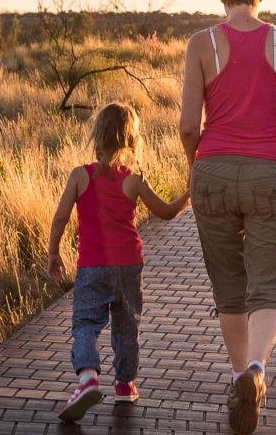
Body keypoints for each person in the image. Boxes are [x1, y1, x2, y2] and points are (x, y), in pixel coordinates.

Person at [178, 0, 276, 433]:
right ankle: (256, 370)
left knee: (229, 286)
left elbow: (186, 124)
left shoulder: (201, 44)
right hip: (274, 172)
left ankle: (238, 374)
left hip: (213, 170)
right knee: (269, 285)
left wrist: (197, 165)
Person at [44, 102, 189, 423]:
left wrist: (53, 251)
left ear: (97, 135)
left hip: (93, 265)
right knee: (127, 325)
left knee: (85, 323)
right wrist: (187, 194)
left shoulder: (80, 175)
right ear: (130, 139)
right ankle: (124, 384)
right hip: (129, 265)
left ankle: (87, 380)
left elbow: (60, 217)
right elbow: (165, 212)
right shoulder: (133, 179)